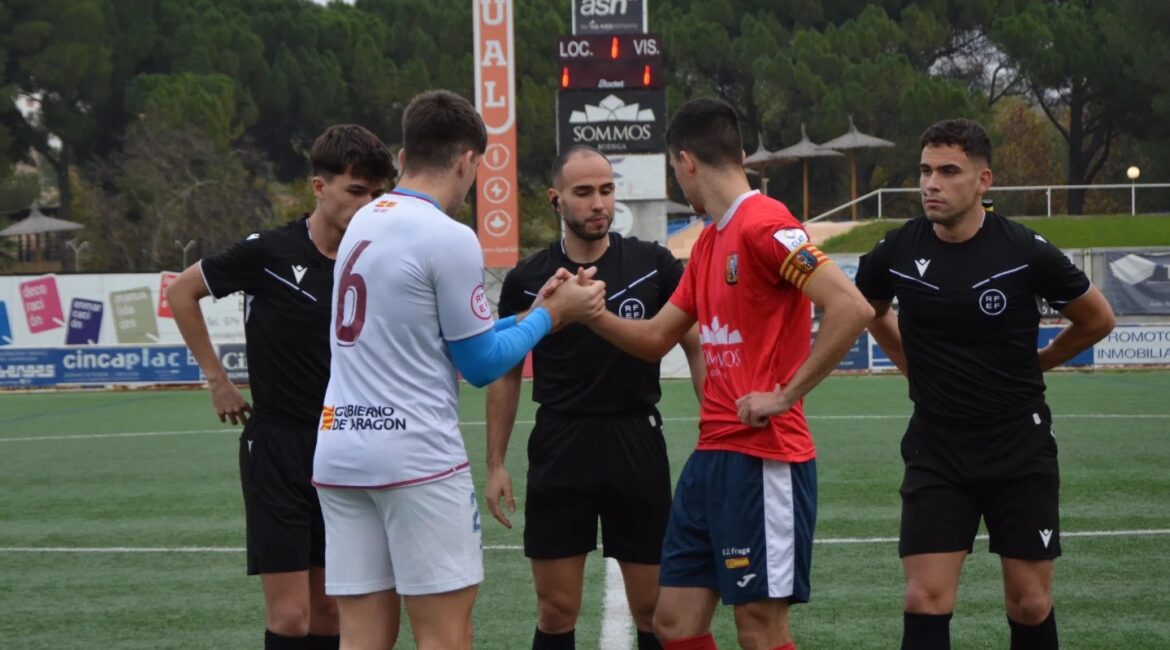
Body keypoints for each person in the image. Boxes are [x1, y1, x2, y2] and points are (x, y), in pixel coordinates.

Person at [310, 90, 607, 650]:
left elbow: (436, 339)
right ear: (470, 160)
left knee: (361, 637)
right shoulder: (448, 236)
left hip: (341, 449)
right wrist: (551, 318)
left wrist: (533, 313)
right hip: (414, 457)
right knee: (445, 634)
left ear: (403, 155)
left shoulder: (365, 219)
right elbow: (478, 365)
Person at [586, 97, 874, 650]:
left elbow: (851, 307)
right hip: (712, 458)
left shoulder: (766, 225)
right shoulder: (710, 242)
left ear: (686, 162)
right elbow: (654, 339)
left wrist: (785, 395)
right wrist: (588, 314)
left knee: (759, 627)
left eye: (676, 172)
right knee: (674, 623)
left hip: (765, 459)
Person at [853, 118, 1116, 650]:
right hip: (937, 447)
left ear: (983, 180)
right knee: (924, 598)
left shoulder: (1024, 250)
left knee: (1030, 602)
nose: (931, 184)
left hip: (1018, 445)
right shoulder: (899, 250)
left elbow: (1098, 319)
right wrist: (911, 365)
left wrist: (1039, 362)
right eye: (925, 171)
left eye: (949, 172)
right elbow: (864, 310)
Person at [168, 124, 395, 650]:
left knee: (331, 613)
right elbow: (182, 291)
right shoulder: (269, 251)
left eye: (378, 195)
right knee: (291, 616)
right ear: (320, 187)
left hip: (347, 444)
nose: (366, 205)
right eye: (355, 191)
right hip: (278, 447)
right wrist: (216, 379)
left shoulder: (382, 259)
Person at [485, 144, 706, 650]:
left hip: (636, 440)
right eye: (583, 192)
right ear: (556, 200)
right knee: (557, 611)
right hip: (561, 442)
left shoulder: (653, 265)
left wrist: (714, 425)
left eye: (606, 190)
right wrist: (495, 462)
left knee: (653, 609)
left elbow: (696, 345)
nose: (598, 203)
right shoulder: (527, 279)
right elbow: (506, 371)